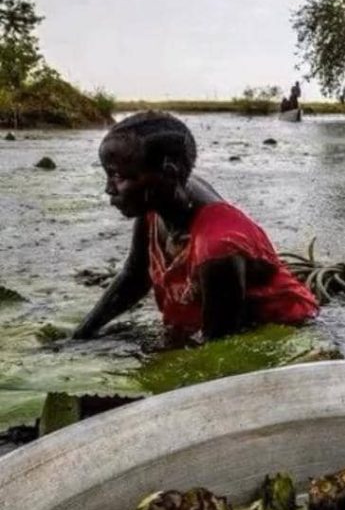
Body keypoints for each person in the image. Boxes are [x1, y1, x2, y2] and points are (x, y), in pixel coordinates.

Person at [72, 111, 319, 341]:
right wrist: (80, 336)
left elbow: (220, 346)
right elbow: (135, 277)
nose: (108, 189)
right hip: (215, 322)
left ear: (168, 172)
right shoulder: (158, 202)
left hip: (284, 330)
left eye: (119, 177)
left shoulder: (218, 249)